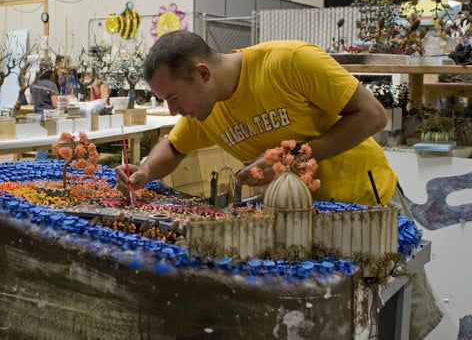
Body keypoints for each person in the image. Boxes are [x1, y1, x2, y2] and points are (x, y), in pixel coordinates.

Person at [115, 30, 442, 340]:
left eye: (173, 98)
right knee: (330, 323)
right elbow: (174, 147)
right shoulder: (205, 110)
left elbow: (373, 116)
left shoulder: (290, 62)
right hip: (296, 224)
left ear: (202, 73)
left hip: (365, 207)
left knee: (395, 318)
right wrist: (143, 172)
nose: (173, 111)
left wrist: (290, 158)